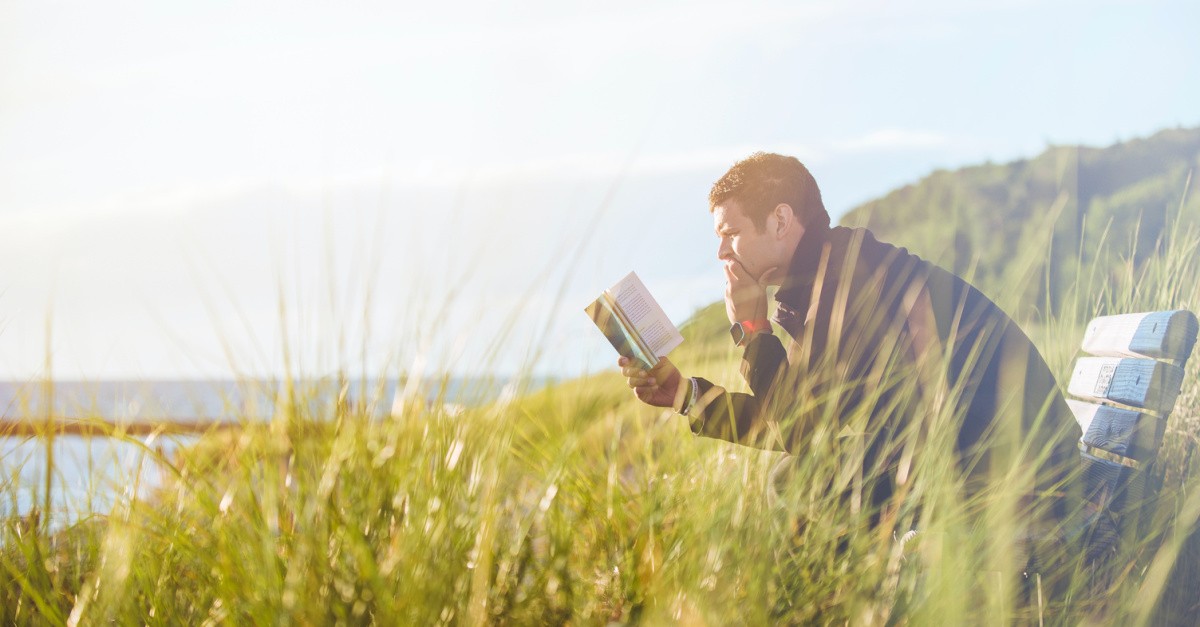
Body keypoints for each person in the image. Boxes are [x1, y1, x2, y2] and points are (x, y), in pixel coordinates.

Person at [619, 152, 1079, 577]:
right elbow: (799, 420)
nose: (722, 254)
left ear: (780, 220)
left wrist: (755, 329)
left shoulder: (850, 282)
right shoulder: (828, 277)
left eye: (730, 234)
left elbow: (797, 429)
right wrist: (684, 394)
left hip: (1024, 479)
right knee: (808, 476)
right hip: (983, 460)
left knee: (803, 482)